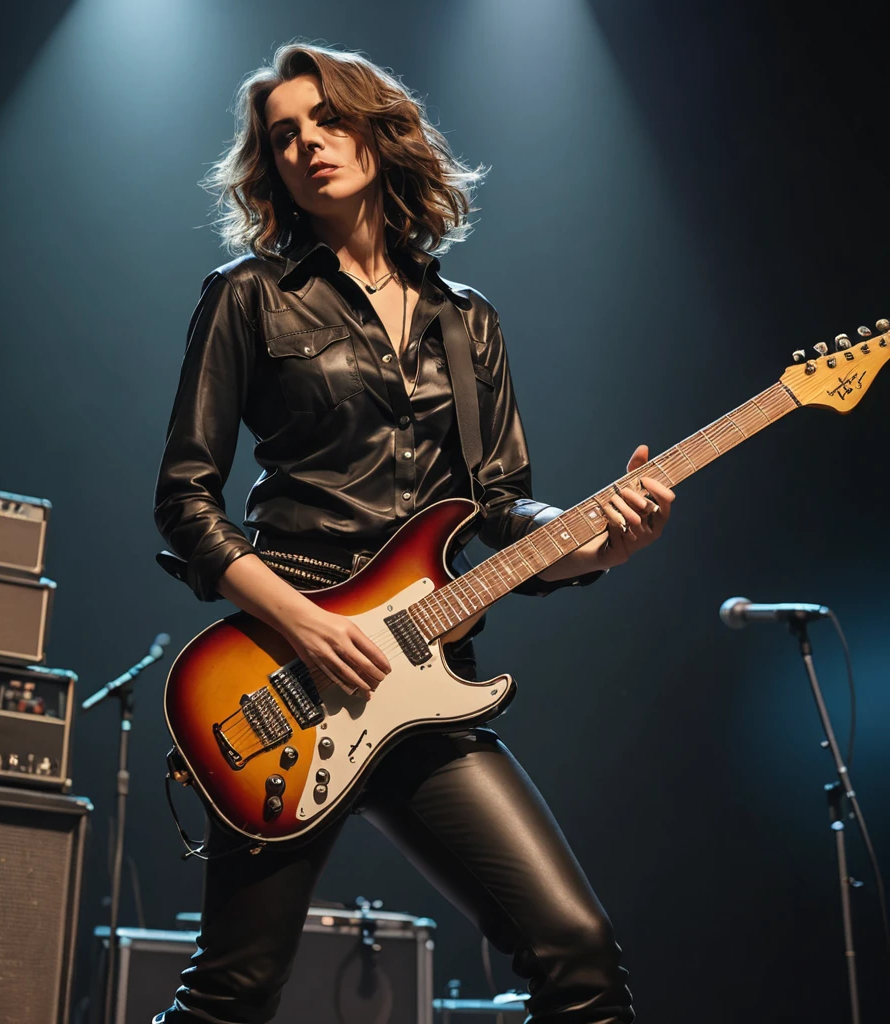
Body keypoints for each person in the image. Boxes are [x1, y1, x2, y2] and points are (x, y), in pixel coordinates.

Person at [152, 41, 673, 1024]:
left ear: (378, 130)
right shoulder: (248, 295)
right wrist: (306, 623)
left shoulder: (465, 321)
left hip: (426, 689)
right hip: (284, 684)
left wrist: (598, 540)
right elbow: (184, 503)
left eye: (328, 121)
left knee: (581, 956)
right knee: (232, 993)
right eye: (285, 137)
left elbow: (501, 509)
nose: (309, 145)